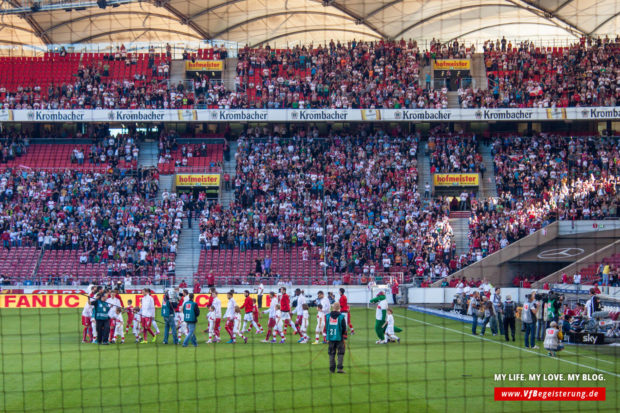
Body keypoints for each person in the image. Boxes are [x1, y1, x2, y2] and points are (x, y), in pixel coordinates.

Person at [326, 302, 348, 374]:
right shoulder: (341, 317)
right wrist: (342, 334)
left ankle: (332, 370)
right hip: (339, 338)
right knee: (341, 353)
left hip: (331, 338)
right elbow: (344, 328)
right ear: (339, 308)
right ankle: (339, 368)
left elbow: (326, 327)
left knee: (331, 353)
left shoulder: (328, 316)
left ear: (333, 307)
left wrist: (328, 337)